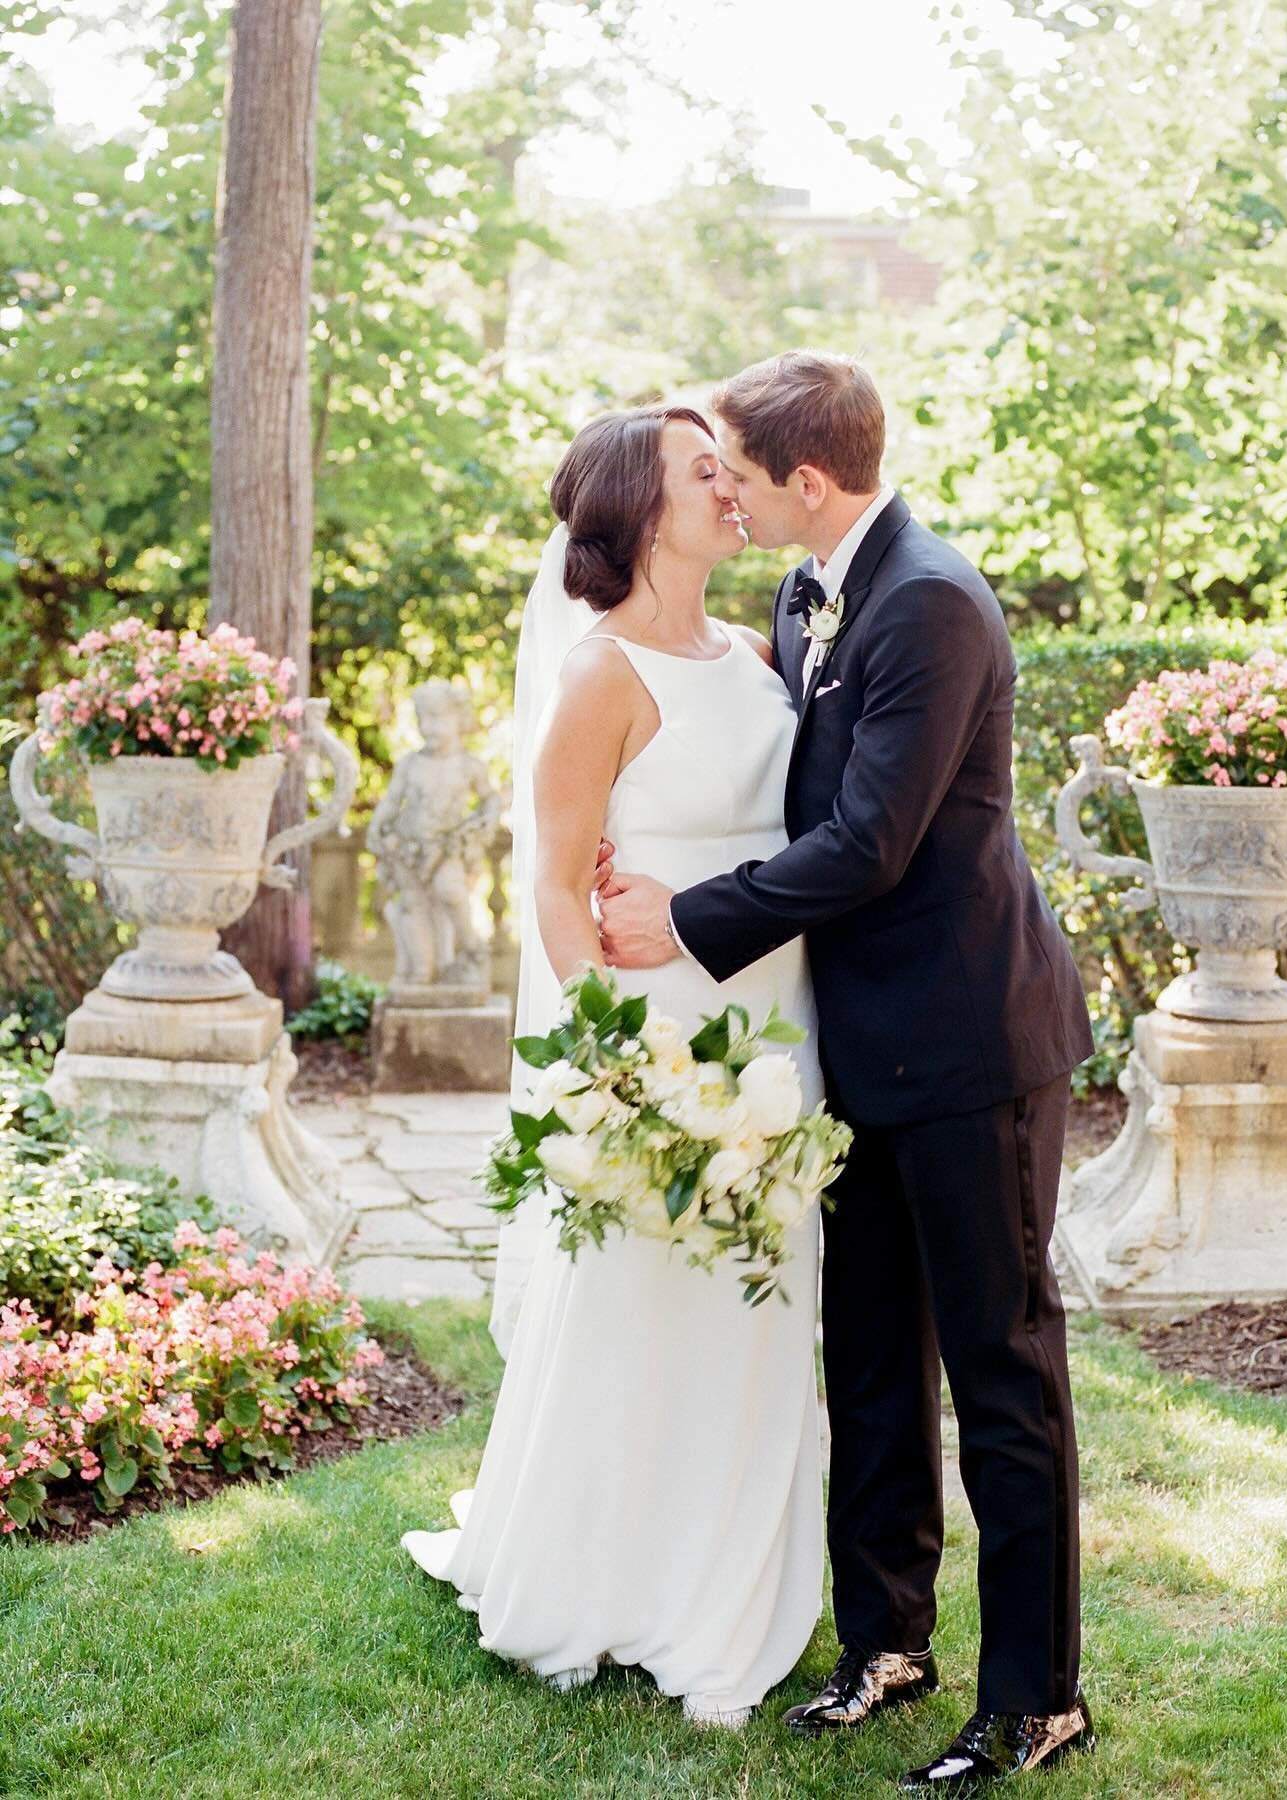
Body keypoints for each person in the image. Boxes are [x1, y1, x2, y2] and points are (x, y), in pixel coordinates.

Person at [598, 351, 1097, 1792]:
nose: (729, 500)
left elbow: (872, 842)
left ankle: (1036, 1695)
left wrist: (687, 922)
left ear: (806, 481)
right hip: (854, 1047)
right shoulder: (809, 592)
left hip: (967, 1047)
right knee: (871, 1355)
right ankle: (885, 1641)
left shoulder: (932, 600)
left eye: (741, 477)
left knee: (1001, 1372)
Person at [401, 404, 825, 1729]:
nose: (730, 485)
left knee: (760, 1315)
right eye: (704, 472)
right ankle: (608, 1577)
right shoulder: (600, 677)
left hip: (778, 1037)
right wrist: (608, 1073)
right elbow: (554, 886)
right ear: (642, 514)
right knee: (645, 1309)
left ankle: (735, 1575)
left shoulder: (761, 656)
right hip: (655, 1050)